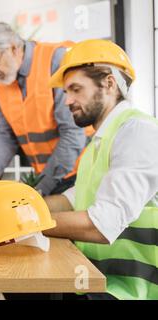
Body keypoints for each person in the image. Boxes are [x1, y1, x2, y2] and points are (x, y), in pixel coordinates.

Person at [43, 39, 158, 300]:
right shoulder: (102, 140)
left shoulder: (137, 132)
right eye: (66, 92)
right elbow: (71, 199)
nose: (68, 101)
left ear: (109, 83)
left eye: (75, 89)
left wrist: (24, 225)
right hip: (97, 281)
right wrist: (16, 208)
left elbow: (100, 225)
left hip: (129, 292)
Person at [0, 19, 92, 195]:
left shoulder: (56, 61)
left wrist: (42, 188)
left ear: (13, 48)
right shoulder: (2, 85)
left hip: (82, 176)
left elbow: (73, 134)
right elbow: (5, 135)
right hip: (48, 177)